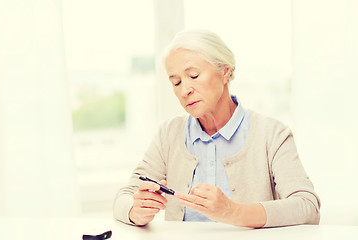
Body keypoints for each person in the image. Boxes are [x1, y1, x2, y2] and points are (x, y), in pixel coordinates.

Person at [113, 29, 320, 228]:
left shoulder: (272, 134)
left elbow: (307, 206)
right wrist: (135, 210)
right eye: (176, 82)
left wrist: (234, 212)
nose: (185, 90)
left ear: (224, 72)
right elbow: (124, 196)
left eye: (193, 76)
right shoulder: (169, 134)